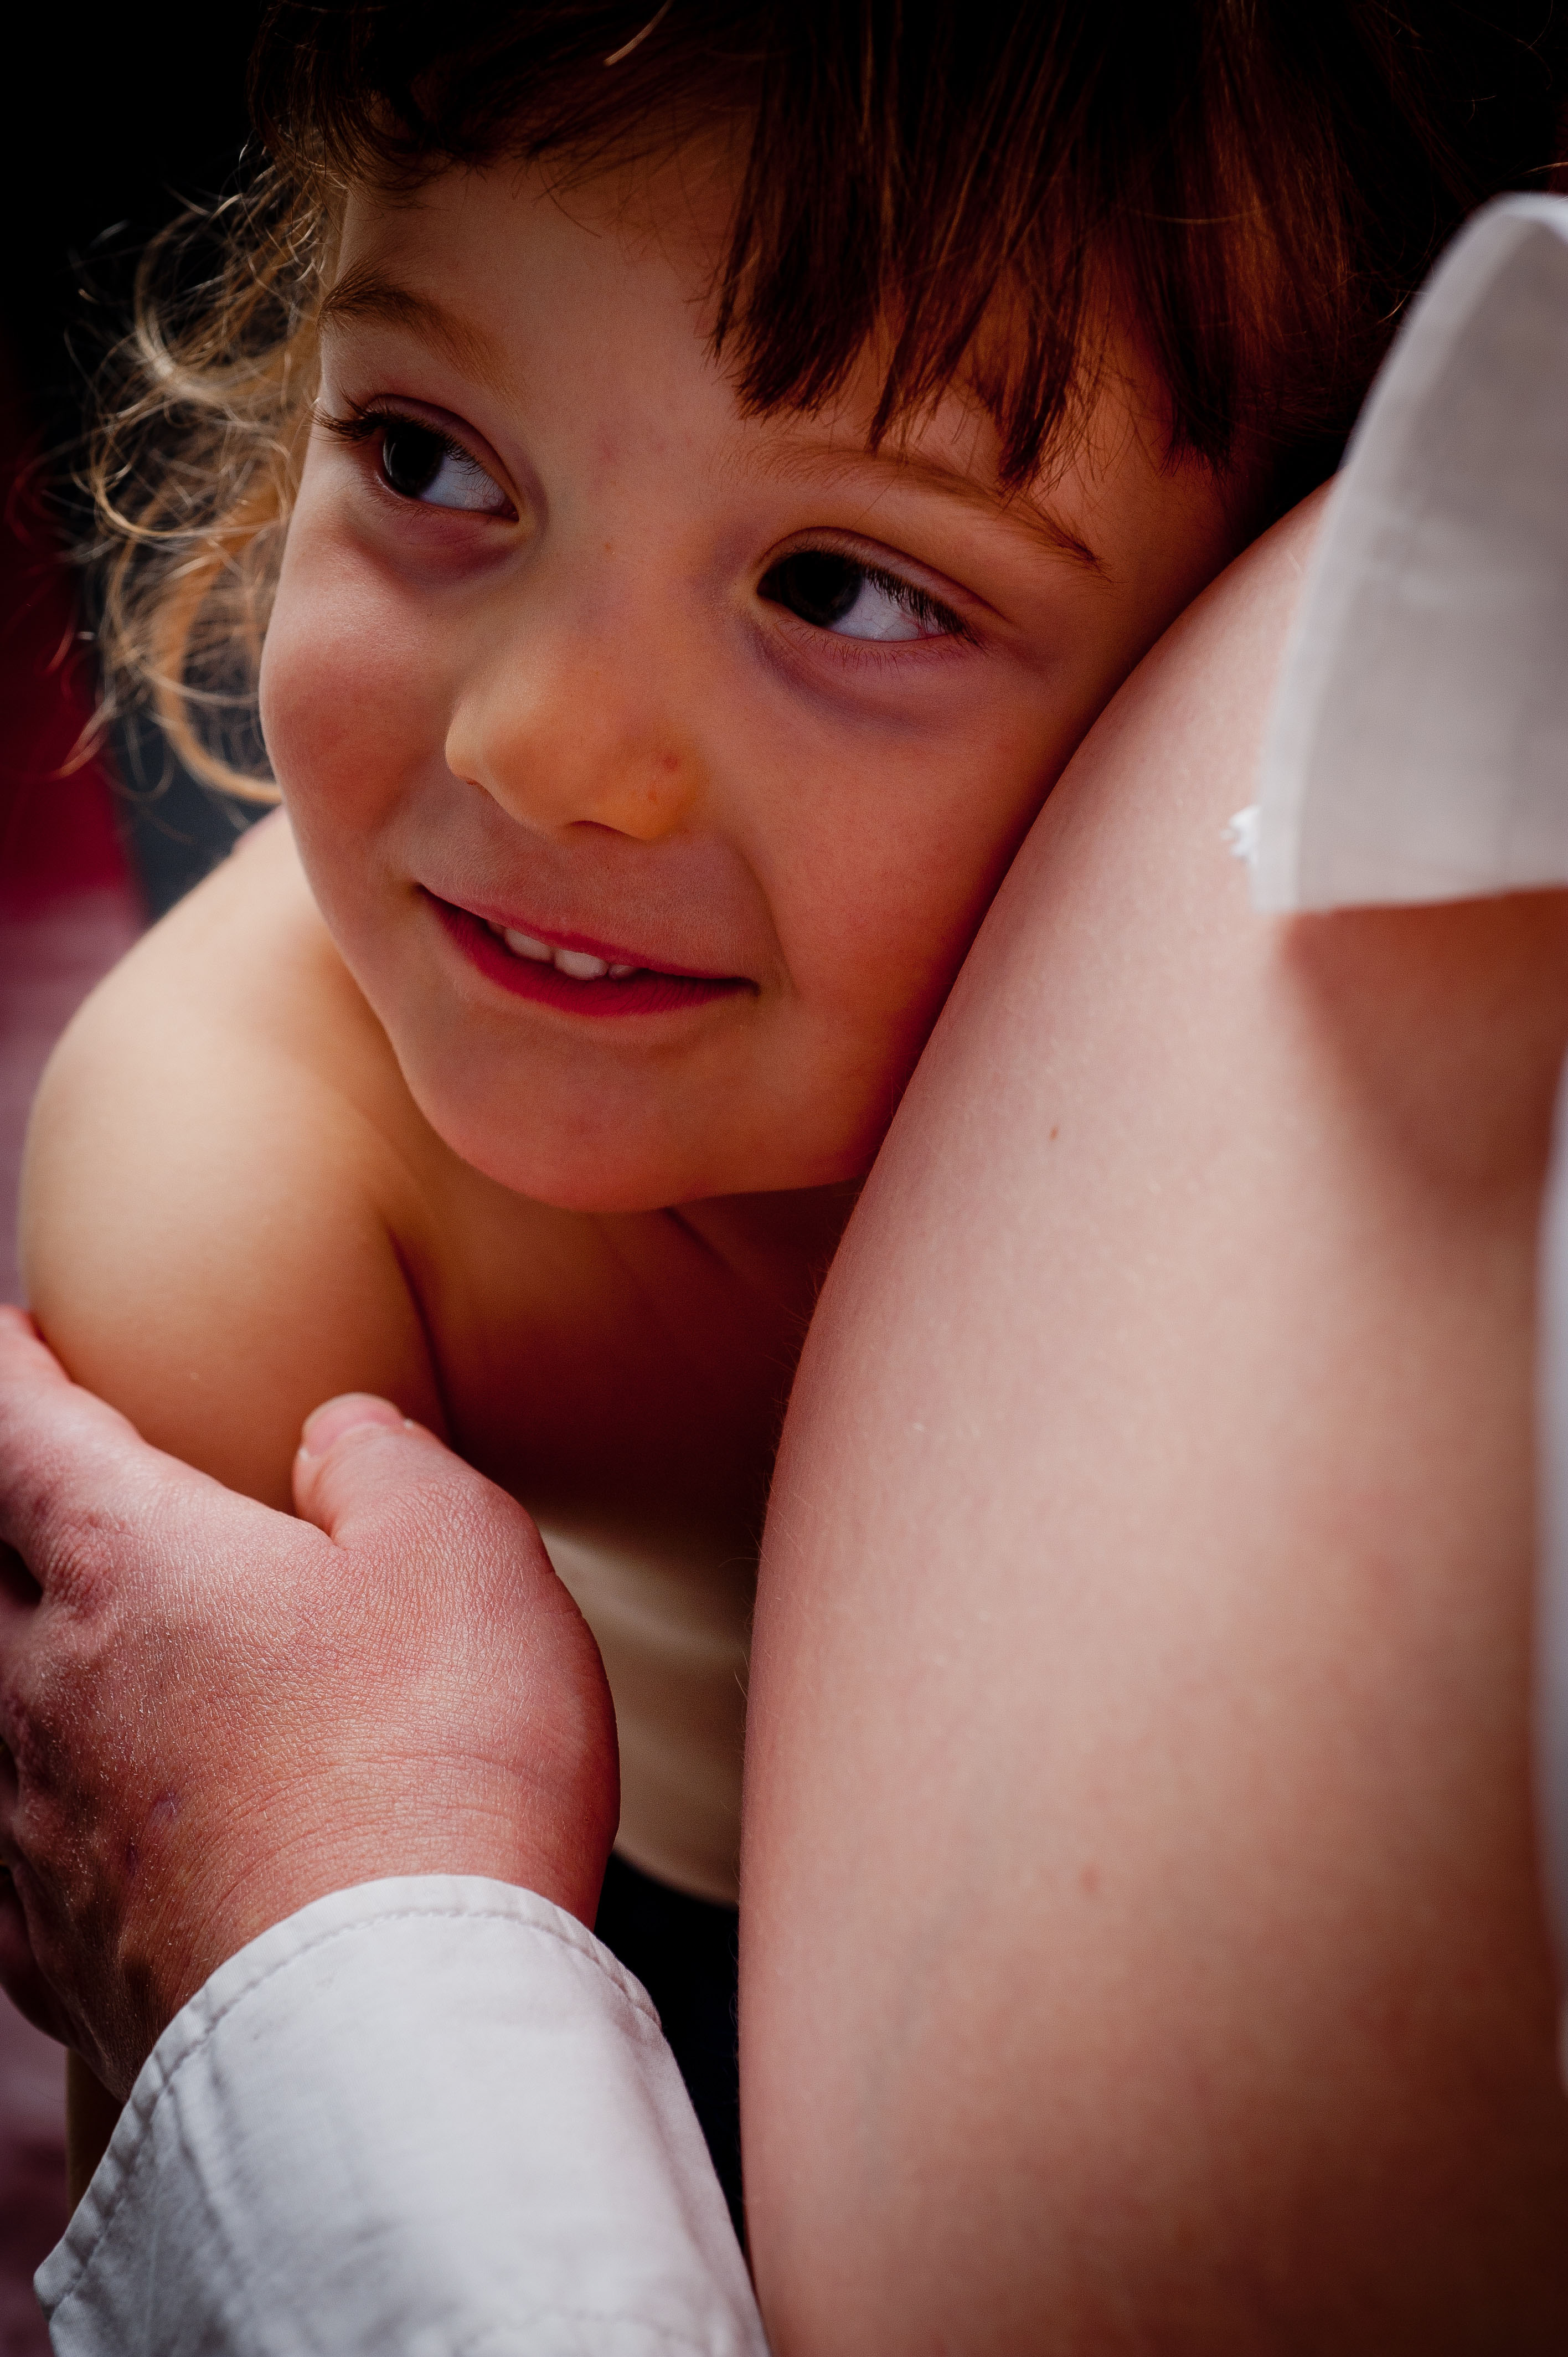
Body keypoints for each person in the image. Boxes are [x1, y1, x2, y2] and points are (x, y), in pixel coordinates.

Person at [25, 0, 1564, 2213]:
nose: (541, 746)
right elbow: (206, 2118)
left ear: (1247, 624)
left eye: (840, 589)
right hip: (564, 1969)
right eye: (434, 462)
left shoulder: (1315, 1015)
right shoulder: (247, 1180)